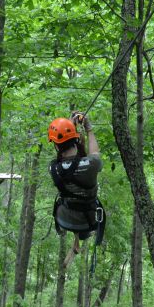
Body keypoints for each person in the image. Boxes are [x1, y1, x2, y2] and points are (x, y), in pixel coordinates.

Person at [48, 111, 106, 269]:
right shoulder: (91, 164)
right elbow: (95, 154)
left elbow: (64, 156)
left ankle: (75, 241)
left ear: (56, 145)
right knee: (84, 208)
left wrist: (69, 127)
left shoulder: (53, 168)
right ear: (75, 140)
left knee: (73, 203)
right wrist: (88, 128)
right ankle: (77, 240)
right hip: (89, 220)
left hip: (64, 219)